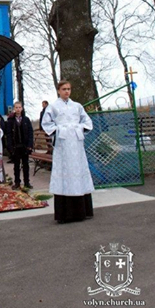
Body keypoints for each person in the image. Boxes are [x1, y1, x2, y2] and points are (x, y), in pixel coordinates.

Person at [42, 80, 94, 224]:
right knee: (64, 173)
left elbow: (87, 122)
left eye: (69, 89)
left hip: (76, 145)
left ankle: (83, 210)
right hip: (63, 145)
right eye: (64, 89)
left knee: (78, 171)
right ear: (58, 90)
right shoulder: (53, 107)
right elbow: (46, 123)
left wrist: (79, 128)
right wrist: (58, 130)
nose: (67, 91)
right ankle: (65, 213)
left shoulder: (77, 106)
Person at [6, 102, 34, 190]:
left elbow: (30, 133)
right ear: (14, 108)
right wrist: (10, 147)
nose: (18, 109)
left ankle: (27, 182)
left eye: (19, 107)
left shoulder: (26, 120)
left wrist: (30, 145)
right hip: (16, 146)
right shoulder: (11, 121)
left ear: (22, 108)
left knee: (26, 165)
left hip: (25, 146)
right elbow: (8, 134)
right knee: (16, 166)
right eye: (16, 107)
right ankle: (17, 182)